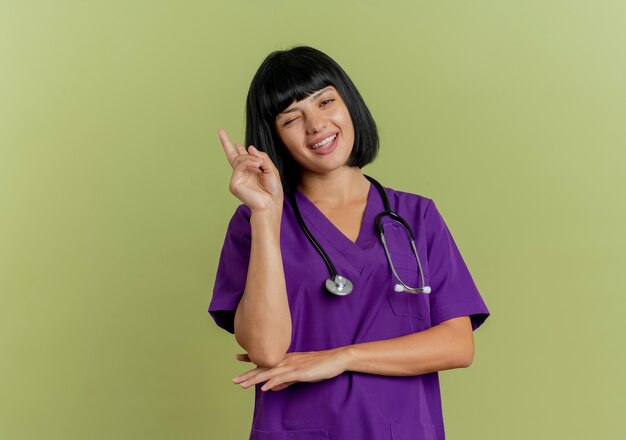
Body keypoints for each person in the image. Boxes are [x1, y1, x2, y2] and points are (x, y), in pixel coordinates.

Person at [209, 46, 490, 440]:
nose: (316, 125)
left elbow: (458, 346)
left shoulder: (416, 217)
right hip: (298, 429)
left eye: (326, 101)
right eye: (292, 118)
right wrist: (266, 214)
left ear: (349, 103)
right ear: (273, 137)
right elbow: (267, 352)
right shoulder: (254, 223)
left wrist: (341, 358)